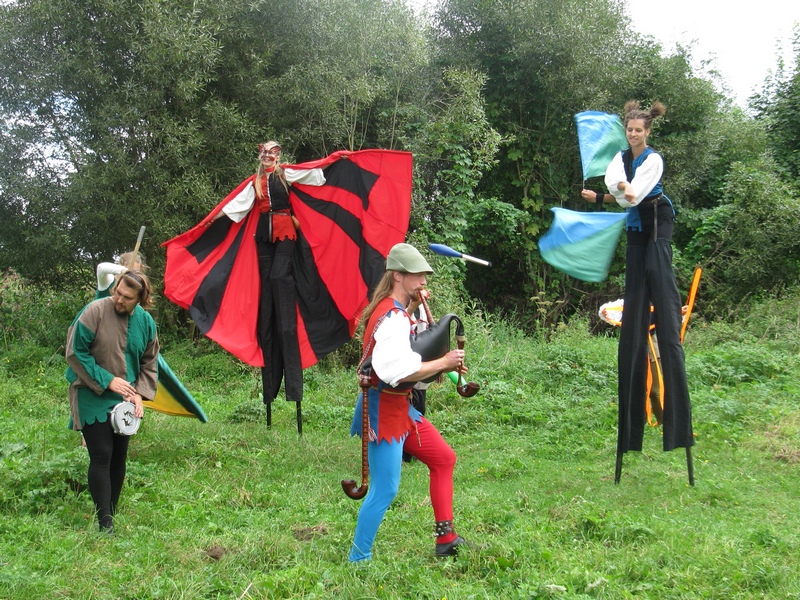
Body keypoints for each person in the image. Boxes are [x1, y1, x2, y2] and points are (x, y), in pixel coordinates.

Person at [581, 100, 694, 455]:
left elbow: (633, 194)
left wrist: (623, 191)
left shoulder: (653, 160)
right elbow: (618, 189)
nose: (633, 134)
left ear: (647, 132)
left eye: (638, 131)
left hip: (658, 222)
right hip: (636, 227)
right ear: (626, 131)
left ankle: (669, 321)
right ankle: (631, 437)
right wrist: (609, 193)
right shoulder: (620, 158)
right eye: (629, 130)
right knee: (635, 300)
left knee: (659, 280)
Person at [348, 243, 470, 562]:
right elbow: (398, 372)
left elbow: (413, 355)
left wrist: (437, 359)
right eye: (418, 276)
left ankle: (446, 538)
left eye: (425, 276)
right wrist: (443, 362)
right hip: (382, 412)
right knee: (385, 489)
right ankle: (358, 558)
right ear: (398, 276)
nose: (424, 281)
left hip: (401, 408)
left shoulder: (398, 310)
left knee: (443, 459)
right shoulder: (393, 318)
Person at [208, 141, 325, 431]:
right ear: (260, 157)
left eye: (273, 153)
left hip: (285, 231)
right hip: (264, 235)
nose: (268, 157)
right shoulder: (255, 183)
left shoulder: (286, 174)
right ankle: (270, 388)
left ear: (279, 156)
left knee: (278, 278)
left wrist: (336, 162)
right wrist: (210, 220)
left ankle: (292, 382)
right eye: (265, 153)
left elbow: (315, 174)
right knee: (267, 295)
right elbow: (236, 207)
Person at [66, 271, 159, 534]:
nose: (119, 299)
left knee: (119, 457)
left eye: (127, 298)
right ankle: (104, 523)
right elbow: (75, 352)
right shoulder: (94, 311)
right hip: (91, 392)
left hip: (125, 399)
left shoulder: (146, 322)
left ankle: (111, 512)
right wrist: (107, 380)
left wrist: (139, 393)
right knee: (101, 455)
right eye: (117, 292)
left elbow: (149, 362)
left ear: (140, 300)